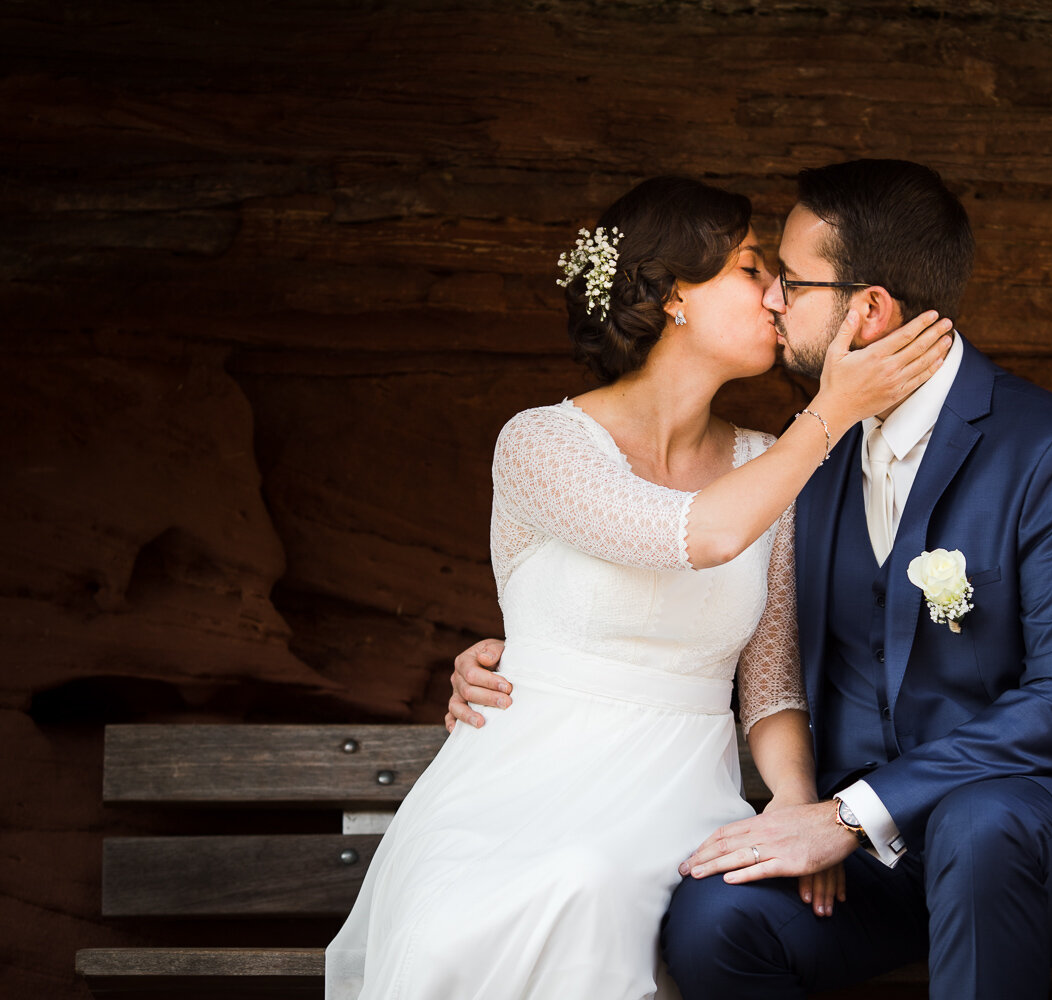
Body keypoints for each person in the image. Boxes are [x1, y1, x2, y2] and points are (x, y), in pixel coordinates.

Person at [448, 159, 1052, 999]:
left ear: (868, 308)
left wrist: (844, 814)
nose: (772, 298)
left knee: (982, 828)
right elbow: (716, 615)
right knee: (713, 922)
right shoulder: (800, 463)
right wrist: (531, 652)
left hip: (1024, 849)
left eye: (790, 280)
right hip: (864, 857)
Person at [326, 175, 954, 1000]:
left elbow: (768, 684)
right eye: (748, 267)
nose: (775, 295)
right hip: (521, 791)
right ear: (673, 299)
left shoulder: (766, 461)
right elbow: (697, 536)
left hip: (677, 799)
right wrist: (830, 414)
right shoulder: (541, 445)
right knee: (529, 897)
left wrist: (796, 807)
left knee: (602, 885)